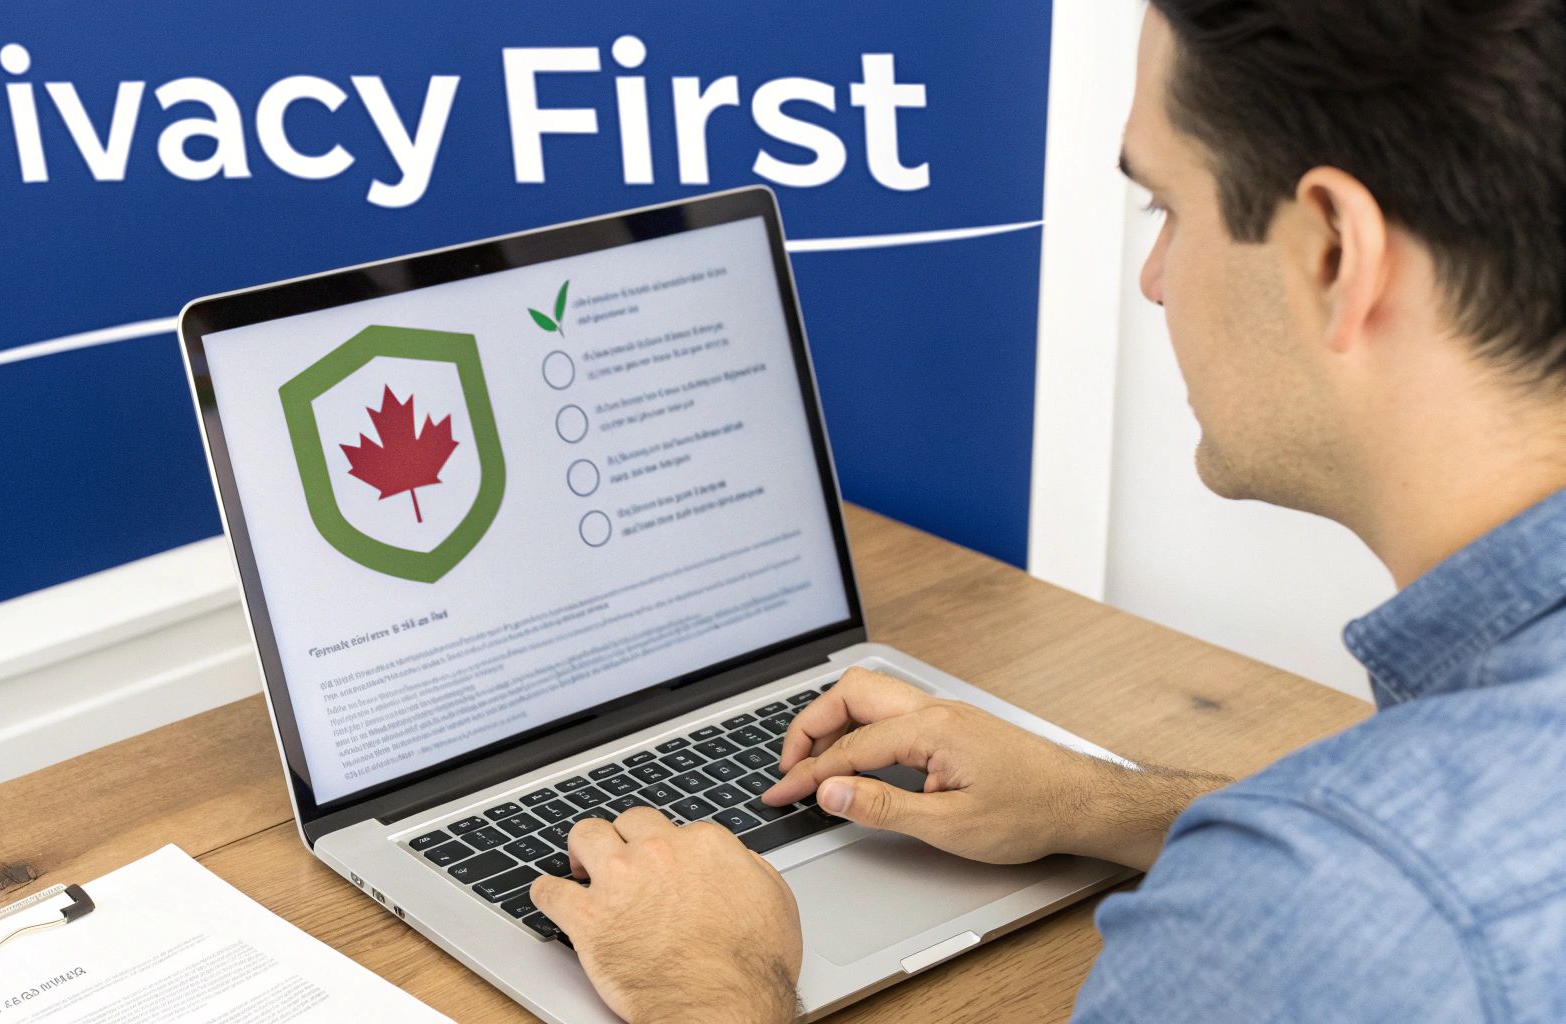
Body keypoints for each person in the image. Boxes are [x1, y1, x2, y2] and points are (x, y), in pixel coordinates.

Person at [528, 0, 1566, 1020]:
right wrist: (1101, 802)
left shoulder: (1297, 921)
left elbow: (1364, 892)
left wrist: (709, 983)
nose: (1154, 282)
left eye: (1166, 207)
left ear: (1332, 252)